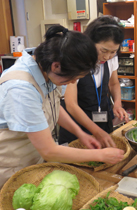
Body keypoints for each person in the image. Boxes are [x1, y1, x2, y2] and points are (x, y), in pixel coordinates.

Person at [0, 25, 124, 188]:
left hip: (33, 156)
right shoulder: (21, 88)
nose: (73, 83)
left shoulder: (47, 68)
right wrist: (100, 154)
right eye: (72, 79)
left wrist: (81, 133)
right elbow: (49, 151)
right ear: (56, 66)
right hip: (12, 163)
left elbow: (54, 106)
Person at [58, 15, 129, 146]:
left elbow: (113, 83)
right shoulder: (76, 58)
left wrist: (117, 104)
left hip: (102, 121)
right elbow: (71, 104)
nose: (107, 56)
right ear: (90, 42)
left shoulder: (111, 59)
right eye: (104, 50)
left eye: (113, 51)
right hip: (77, 126)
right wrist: (95, 131)